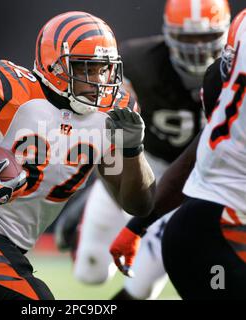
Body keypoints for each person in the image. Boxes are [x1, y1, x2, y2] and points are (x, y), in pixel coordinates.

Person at [0, 11, 156, 300]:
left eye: (103, 69)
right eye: (85, 69)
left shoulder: (113, 114)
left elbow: (137, 205)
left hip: (10, 248)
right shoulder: (12, 92)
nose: (98, 80)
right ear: (52, 64)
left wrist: (133, 151)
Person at [59, 0, 231, 300]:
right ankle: (94, 199)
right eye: (189, 38)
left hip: (191, 181)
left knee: (142, 286)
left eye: (206, 37)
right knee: (91, 273)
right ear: (168, 33)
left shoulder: (233, 73)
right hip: (140, 165)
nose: (198, 48)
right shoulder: (139, 62)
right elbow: (101, 117)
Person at [110, 8, 246, 299]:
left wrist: (136, 226)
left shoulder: (241, 29)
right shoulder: (142, 63)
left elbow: (201, 146)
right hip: (216, 231)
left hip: (194, 224)